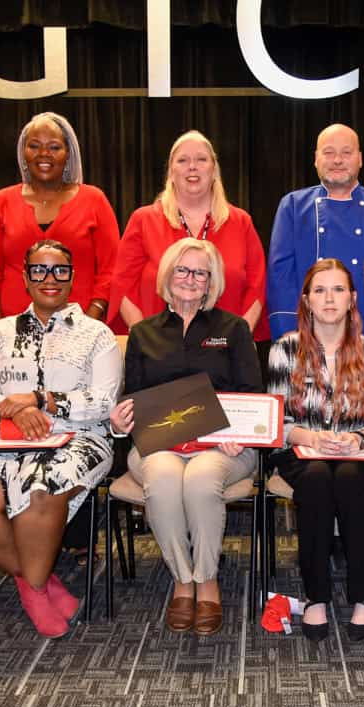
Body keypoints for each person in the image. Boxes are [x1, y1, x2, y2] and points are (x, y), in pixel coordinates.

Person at [0, 240, 120, 638]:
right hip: (2, 437)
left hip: (78, 436)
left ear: (73, 278)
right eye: (39, 270)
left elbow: (104, 401)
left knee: (41, 486)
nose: (50, 279)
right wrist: (16, 410)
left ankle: (33, 588)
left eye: (60, 270)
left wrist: (45, 402)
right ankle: (37, 583)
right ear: (25, 278)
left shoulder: (97, 335)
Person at [115, 238, 262, 636]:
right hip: (159, 445)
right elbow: (132, 399)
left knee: (199, 480)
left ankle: (207, 580)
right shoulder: (143, 333)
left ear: (211, 281)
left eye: (201, 272)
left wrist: (239, 433)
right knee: (162, 479)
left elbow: (252, 393)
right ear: (167, 275)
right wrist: (119, 418)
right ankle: (183, 579)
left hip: (225, 446)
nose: (191, 279)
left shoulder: (233, 329)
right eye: (183, 270)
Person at [266, 259, 364, 641]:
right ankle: (316, 595)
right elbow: (275, 422)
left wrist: (358, 440)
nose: (329, 298)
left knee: (351, 477)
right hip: (301, 452)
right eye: (319, 290)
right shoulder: (283, 350)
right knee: (319, 477)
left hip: (358, 455)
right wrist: (310, 438)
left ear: (353, 299)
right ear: (305, 301)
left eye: (338, 289)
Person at [268, 123, 364, 345]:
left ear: (360, 159)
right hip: (306, 338)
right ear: (316, 159)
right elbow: (280, 275)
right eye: (329, 152)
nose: (337, 160)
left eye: (346, 153)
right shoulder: (293, 206)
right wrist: (289, 332)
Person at [114, 130, 267, 341]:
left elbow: (257, 289)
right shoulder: (143, 220)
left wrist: (237, 340)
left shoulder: (241, 222)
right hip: (159, 349)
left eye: (201, 159)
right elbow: (123, 287)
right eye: (183, 160)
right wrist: (147, 340)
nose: (192, 166)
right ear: (170, 172)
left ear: (214, 170)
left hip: (225, 350)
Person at [0, 111, 121, 331]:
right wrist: (0, 331)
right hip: (15, 332)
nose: (44, 154)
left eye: (54, 147)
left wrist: (88, 325)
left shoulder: (94, 200)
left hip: (80, 331)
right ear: (23, 153)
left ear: (68, 154)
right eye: (34, 146)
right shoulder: (1, 201)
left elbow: (111, 270)